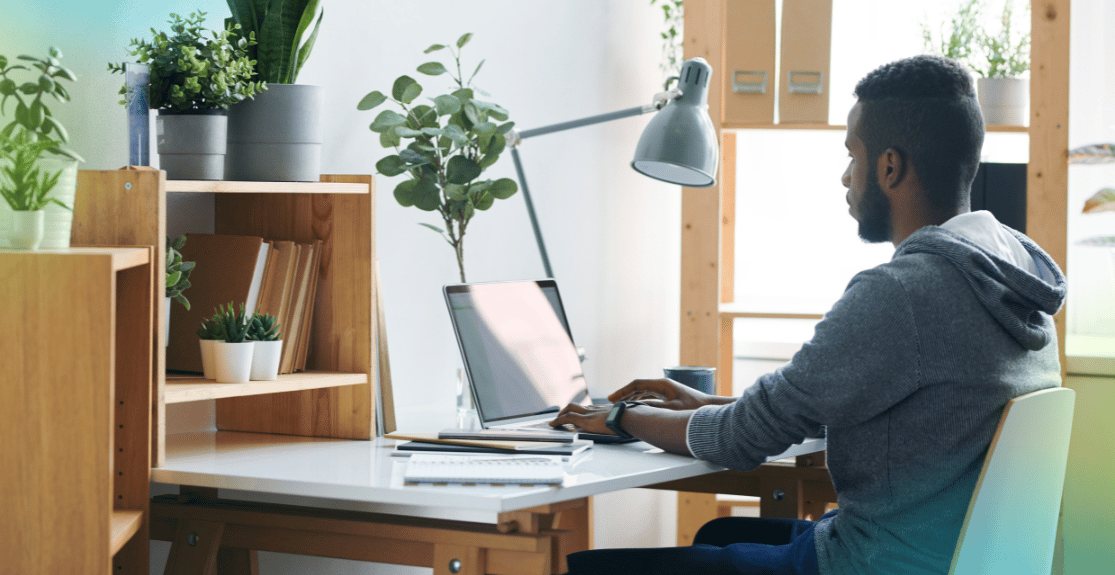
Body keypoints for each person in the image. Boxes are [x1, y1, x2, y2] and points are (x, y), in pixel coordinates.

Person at [550, 54, 1066, 575]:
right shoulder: (1013, 280)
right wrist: (706, 403)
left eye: (852, 156)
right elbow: (856, 409)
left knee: (591, 568)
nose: (846, 177)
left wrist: (619, 416)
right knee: (722, 532)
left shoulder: (902, 293)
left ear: (890, 166)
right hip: (946, 557)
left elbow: (742, 439)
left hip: (872, 563)